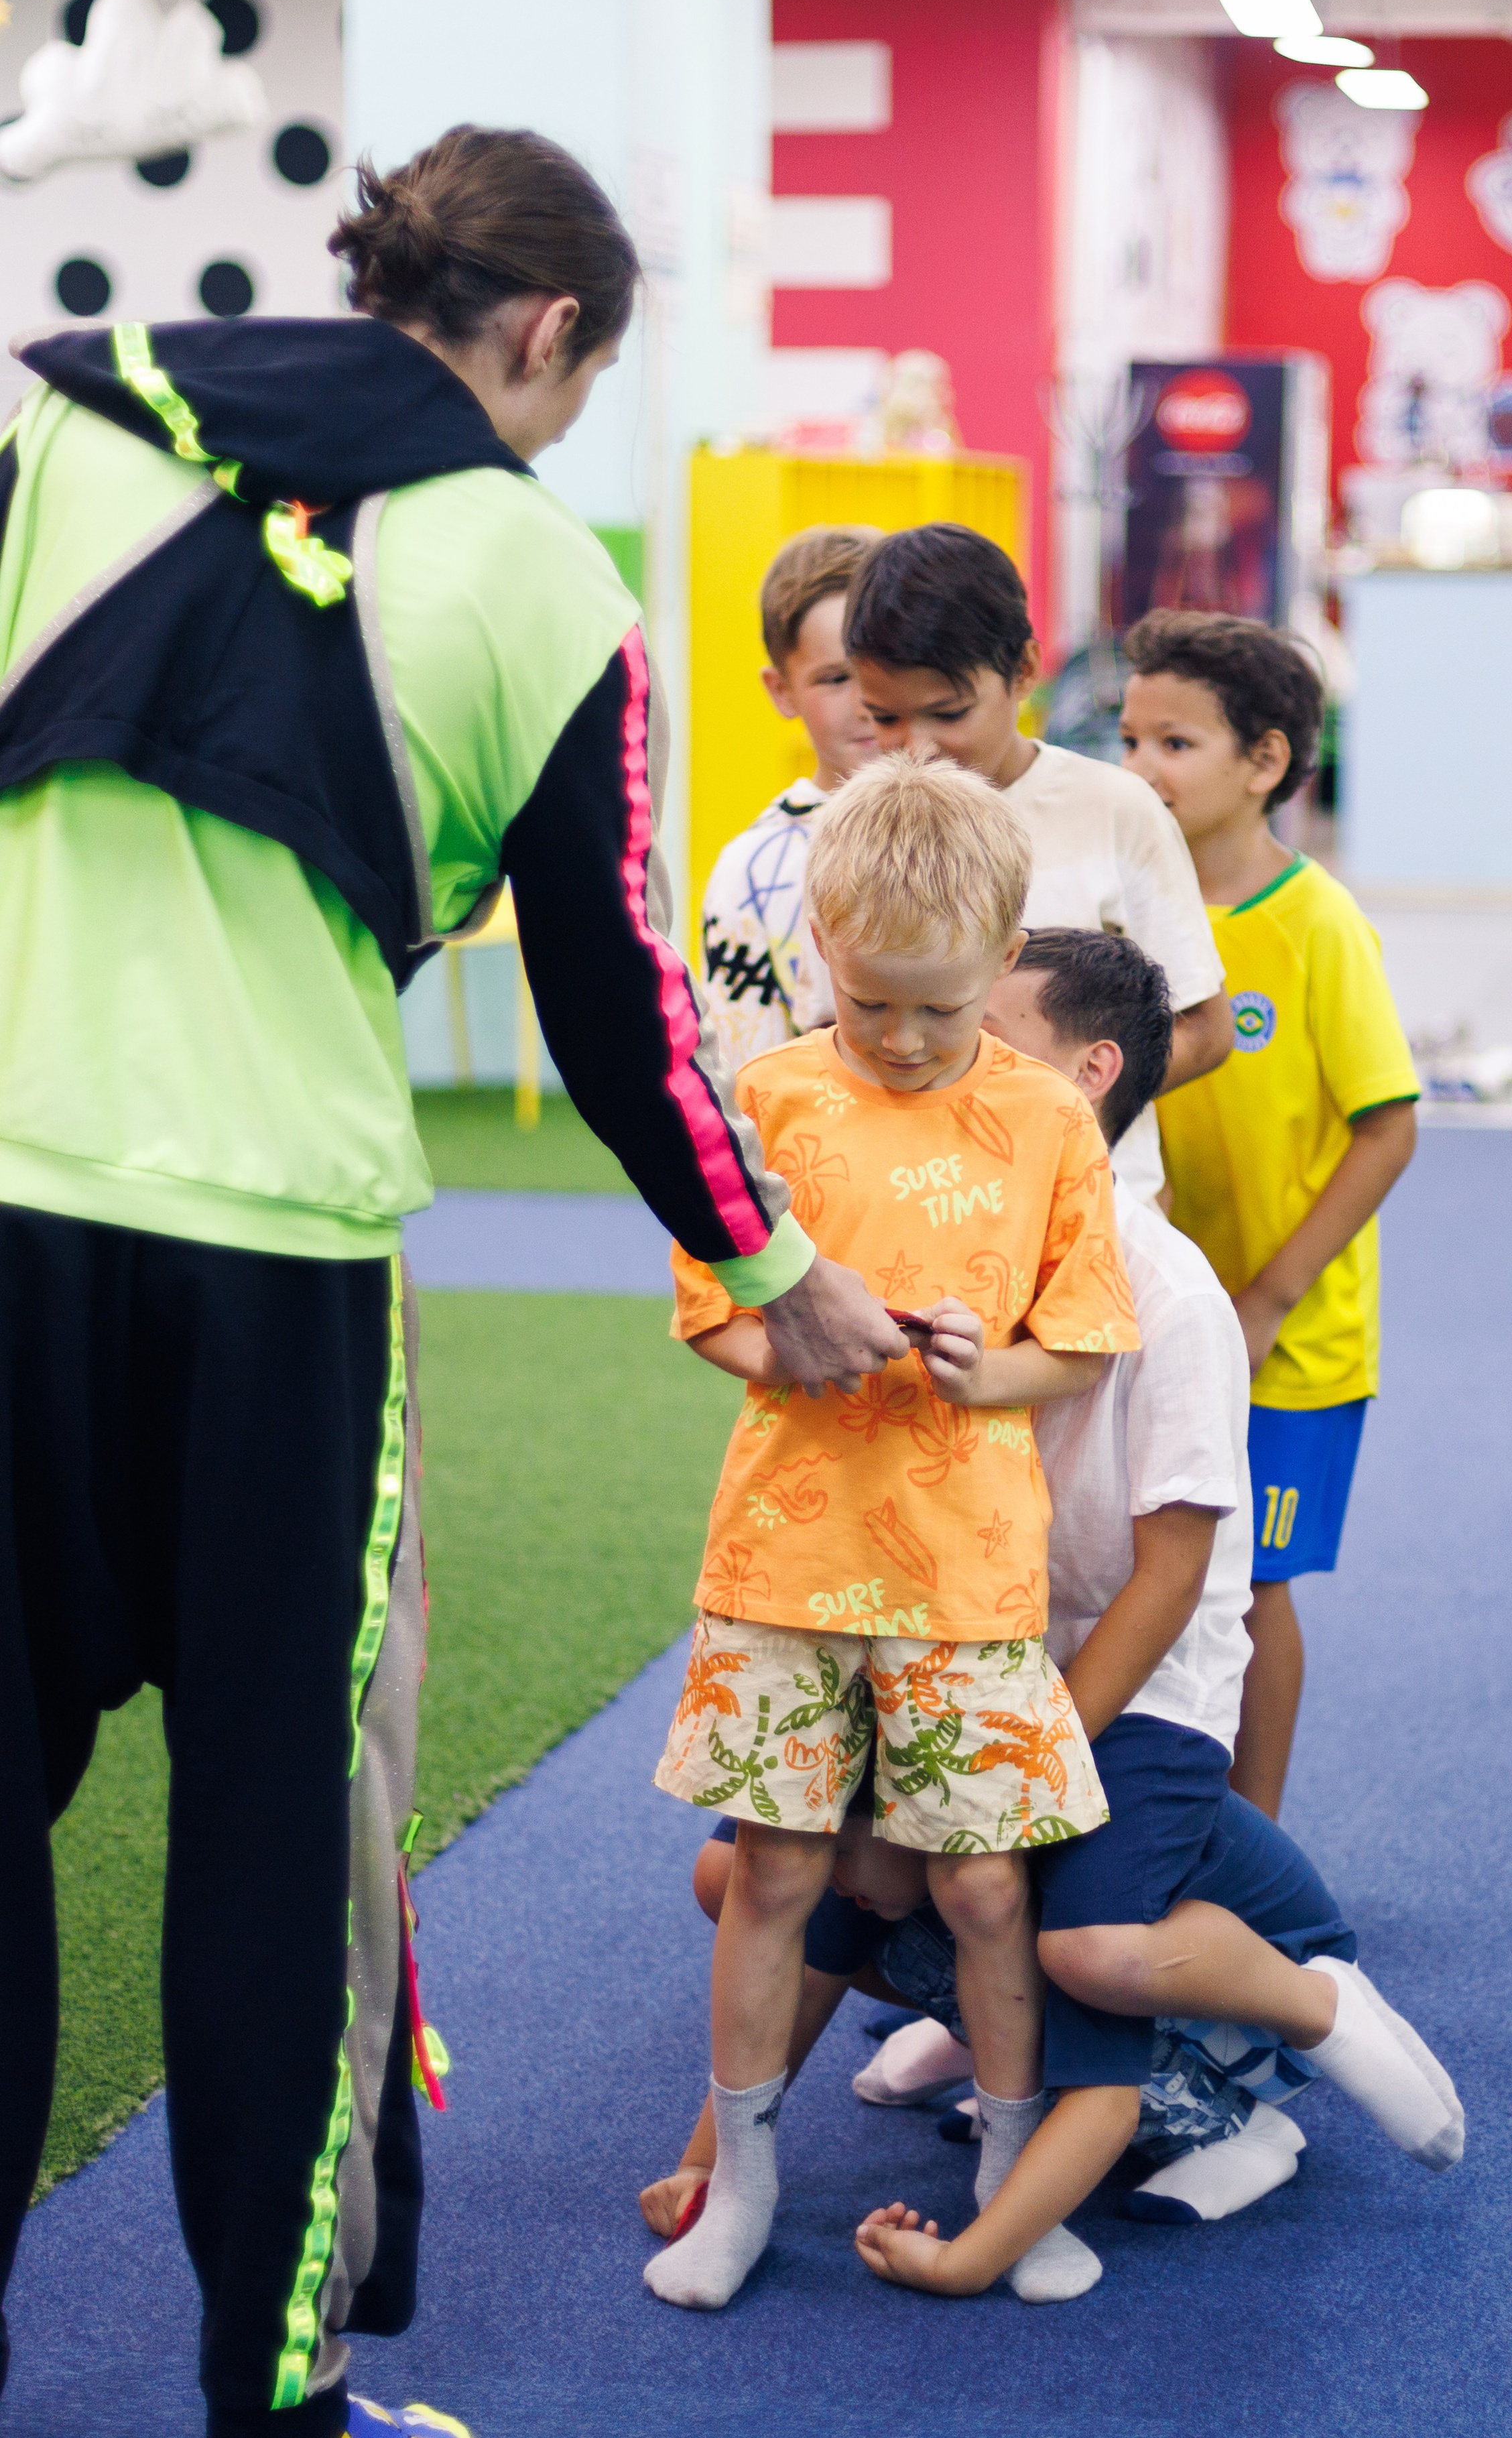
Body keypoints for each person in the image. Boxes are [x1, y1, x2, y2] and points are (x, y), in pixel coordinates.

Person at [0, 125, 902, 2438]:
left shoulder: (59, 416)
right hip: (271, 1275)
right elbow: (622, 1011)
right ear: (546, 335)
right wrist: (777, 1269)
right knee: (275, 1863)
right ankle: (269, 2402)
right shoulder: (544, 578)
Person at [643, 932, 1461, 2284]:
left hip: (1119, 1689)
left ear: (1079, 1081)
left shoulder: (1163, 1287)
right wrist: (702, 2156)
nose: (926, 1052)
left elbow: (1175, 1573)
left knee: (1070, 1931)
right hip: (960, 1652)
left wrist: (1037, 1760)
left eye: (976, 1026)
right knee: (750, 1873)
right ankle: (954, 2029)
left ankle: (1294, 2011)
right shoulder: (929, 1210)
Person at [644, 755, 1137, 2313]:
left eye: (942, 1005)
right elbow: (710, 1311)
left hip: (966, 1571)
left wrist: (981, 1365)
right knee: (777, 1866)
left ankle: (1003, 2171)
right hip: (784, 1562)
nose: (910, 1038)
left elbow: (1081, 1337)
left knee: (983, 1886)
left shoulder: (1048, 1115)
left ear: (1000, 961)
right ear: (822, 966)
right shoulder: (771, 1096)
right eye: (872, 1006)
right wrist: (789, 1344)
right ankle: (741, 2181)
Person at [1120, 611, 1418, 1818]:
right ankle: (1146, 1826)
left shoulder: (1318, 925)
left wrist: (1269, 1297)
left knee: (1249, 1586)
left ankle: (1253, 1845)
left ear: (1268, 762)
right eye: (1130, 738)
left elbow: (1389, 1125)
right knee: (1145, 1568)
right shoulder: (1131, 915)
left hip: (1287, 1343)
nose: (1142, 768)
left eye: (1176, 743)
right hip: (1153, 1315)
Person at [841, 522, 1231, 1204]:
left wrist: (1055, 1095)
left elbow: (1204, 1024)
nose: (918, 749)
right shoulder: (858, 824)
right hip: (918, 1205)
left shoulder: (1116, 808)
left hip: (1090, 1203)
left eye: (948, 713)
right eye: (885, 719)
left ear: (1023, 670)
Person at [700, 524, 881, 1069]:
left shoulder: (990, 825)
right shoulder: (754, 869)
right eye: (835, 678)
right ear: (782, 690)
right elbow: (750, 1072)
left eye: (888, 662)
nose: (869, 698)